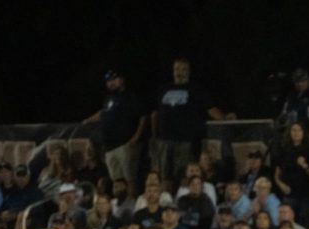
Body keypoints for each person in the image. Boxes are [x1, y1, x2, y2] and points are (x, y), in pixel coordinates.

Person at [149, 58, 231, 187]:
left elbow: (211, 109)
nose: (179, 72)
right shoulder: (163, 89)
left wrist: (225, 119)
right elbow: (155, 113)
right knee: (165, 176)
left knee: (185, 176)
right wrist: (154, 136)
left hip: (186, 142)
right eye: (177, 69)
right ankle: (167, 204)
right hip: (164, 141)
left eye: (183, 69)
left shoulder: (196, 89)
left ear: (188, 71)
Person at [84, 70, 145, 196]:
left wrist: (136, 137)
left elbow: (143, 116)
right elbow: (103, 113)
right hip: (109, 147)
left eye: (113, 79)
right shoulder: (109, 98)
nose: (110, 83)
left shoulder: (130, 97)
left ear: (121, 80)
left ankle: (132, 205)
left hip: (125, 144)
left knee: (130, 179)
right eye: (108, 81)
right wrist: (87, 120)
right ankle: (120, 207)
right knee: (116, 181)